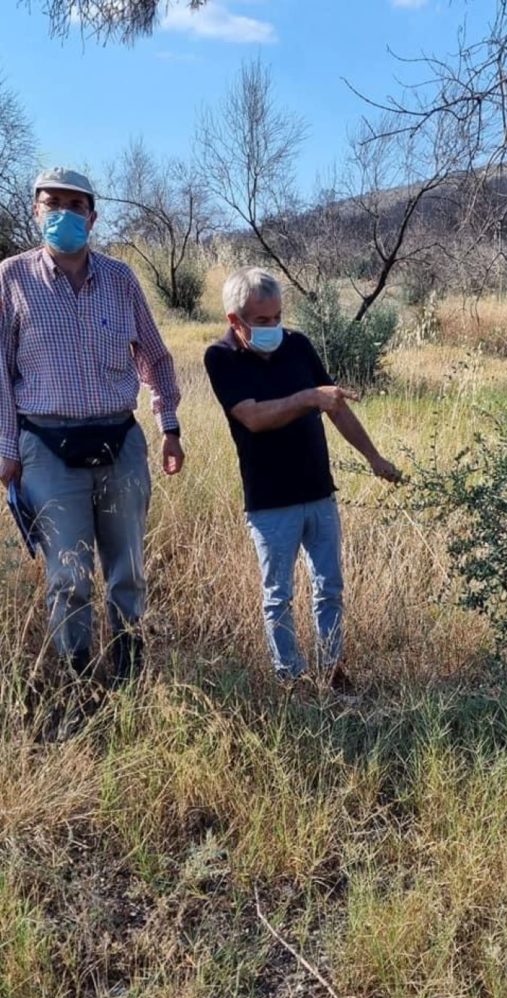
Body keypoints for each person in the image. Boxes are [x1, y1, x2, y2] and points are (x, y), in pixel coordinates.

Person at [0, 166, 184, 718]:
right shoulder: (10, 279)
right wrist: (7, 448)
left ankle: (128, 681)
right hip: (46, 447)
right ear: (36, 212)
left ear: (92, 216)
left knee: (127, 569)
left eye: (74, 205)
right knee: (68, 575)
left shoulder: (121, 279)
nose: (63, 214)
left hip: (119, 440)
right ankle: (82, 686)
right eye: (51, 203)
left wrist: (168, 427)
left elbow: (155, 357)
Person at [204, 266, 400, 696]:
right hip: (270, 502)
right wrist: (310, 397)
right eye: (262, 321)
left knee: (330, 587)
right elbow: (253, 417)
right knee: (279, 595)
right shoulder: (220, 357)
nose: (274, 327)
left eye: (278, 317)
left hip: (318, 491)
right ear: (235, 321)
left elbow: (336, 407)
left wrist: (373, 457)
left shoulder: (298, 346)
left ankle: (332, 669)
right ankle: (290, 677)